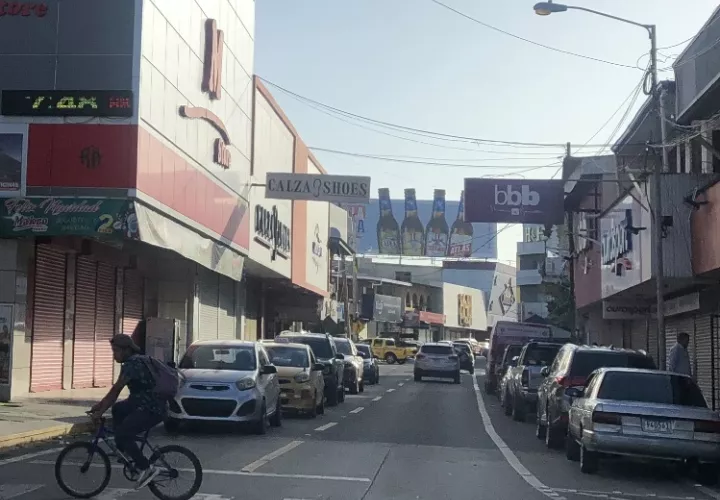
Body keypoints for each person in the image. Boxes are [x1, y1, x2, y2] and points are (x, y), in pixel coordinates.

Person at [90, 335, 166, 489]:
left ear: (126, 350)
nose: (114, 355)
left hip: (152, 408)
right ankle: (123, 450)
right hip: (143, 403)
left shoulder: (132, 365)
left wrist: (100, 411)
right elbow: (114, 393)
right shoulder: (136, 361)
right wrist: (101, 405)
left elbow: (116, 390)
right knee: (118, 409)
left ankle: (146, 467)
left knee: (123, 433)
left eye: (116, 350)